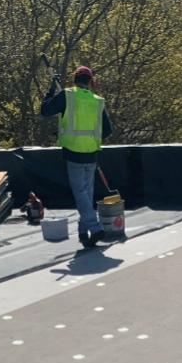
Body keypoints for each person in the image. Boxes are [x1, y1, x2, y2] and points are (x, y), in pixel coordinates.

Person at [41, 65, 113, 247]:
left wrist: (50, 90)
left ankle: (95, 228)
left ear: (75, 79)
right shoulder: (97, 101)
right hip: (91, 153)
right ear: (90, 82)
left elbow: (45, 110)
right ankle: (83, 231)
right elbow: (107, 130)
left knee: (80, 193)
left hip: (74, 152)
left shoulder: (67, 95)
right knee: (87, 193)